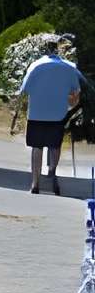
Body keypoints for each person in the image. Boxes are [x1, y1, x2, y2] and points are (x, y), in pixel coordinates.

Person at [18, 36, 85, 194]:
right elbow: (76, 92)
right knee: (55, 145)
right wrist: (71, 103)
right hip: (57, 114)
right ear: (58, 50)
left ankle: (35, 183)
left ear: (44, 50)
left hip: (36, 114)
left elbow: (24, 90)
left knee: (37, 147)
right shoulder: (69, 67)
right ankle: (52, 170)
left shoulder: (36, 66)